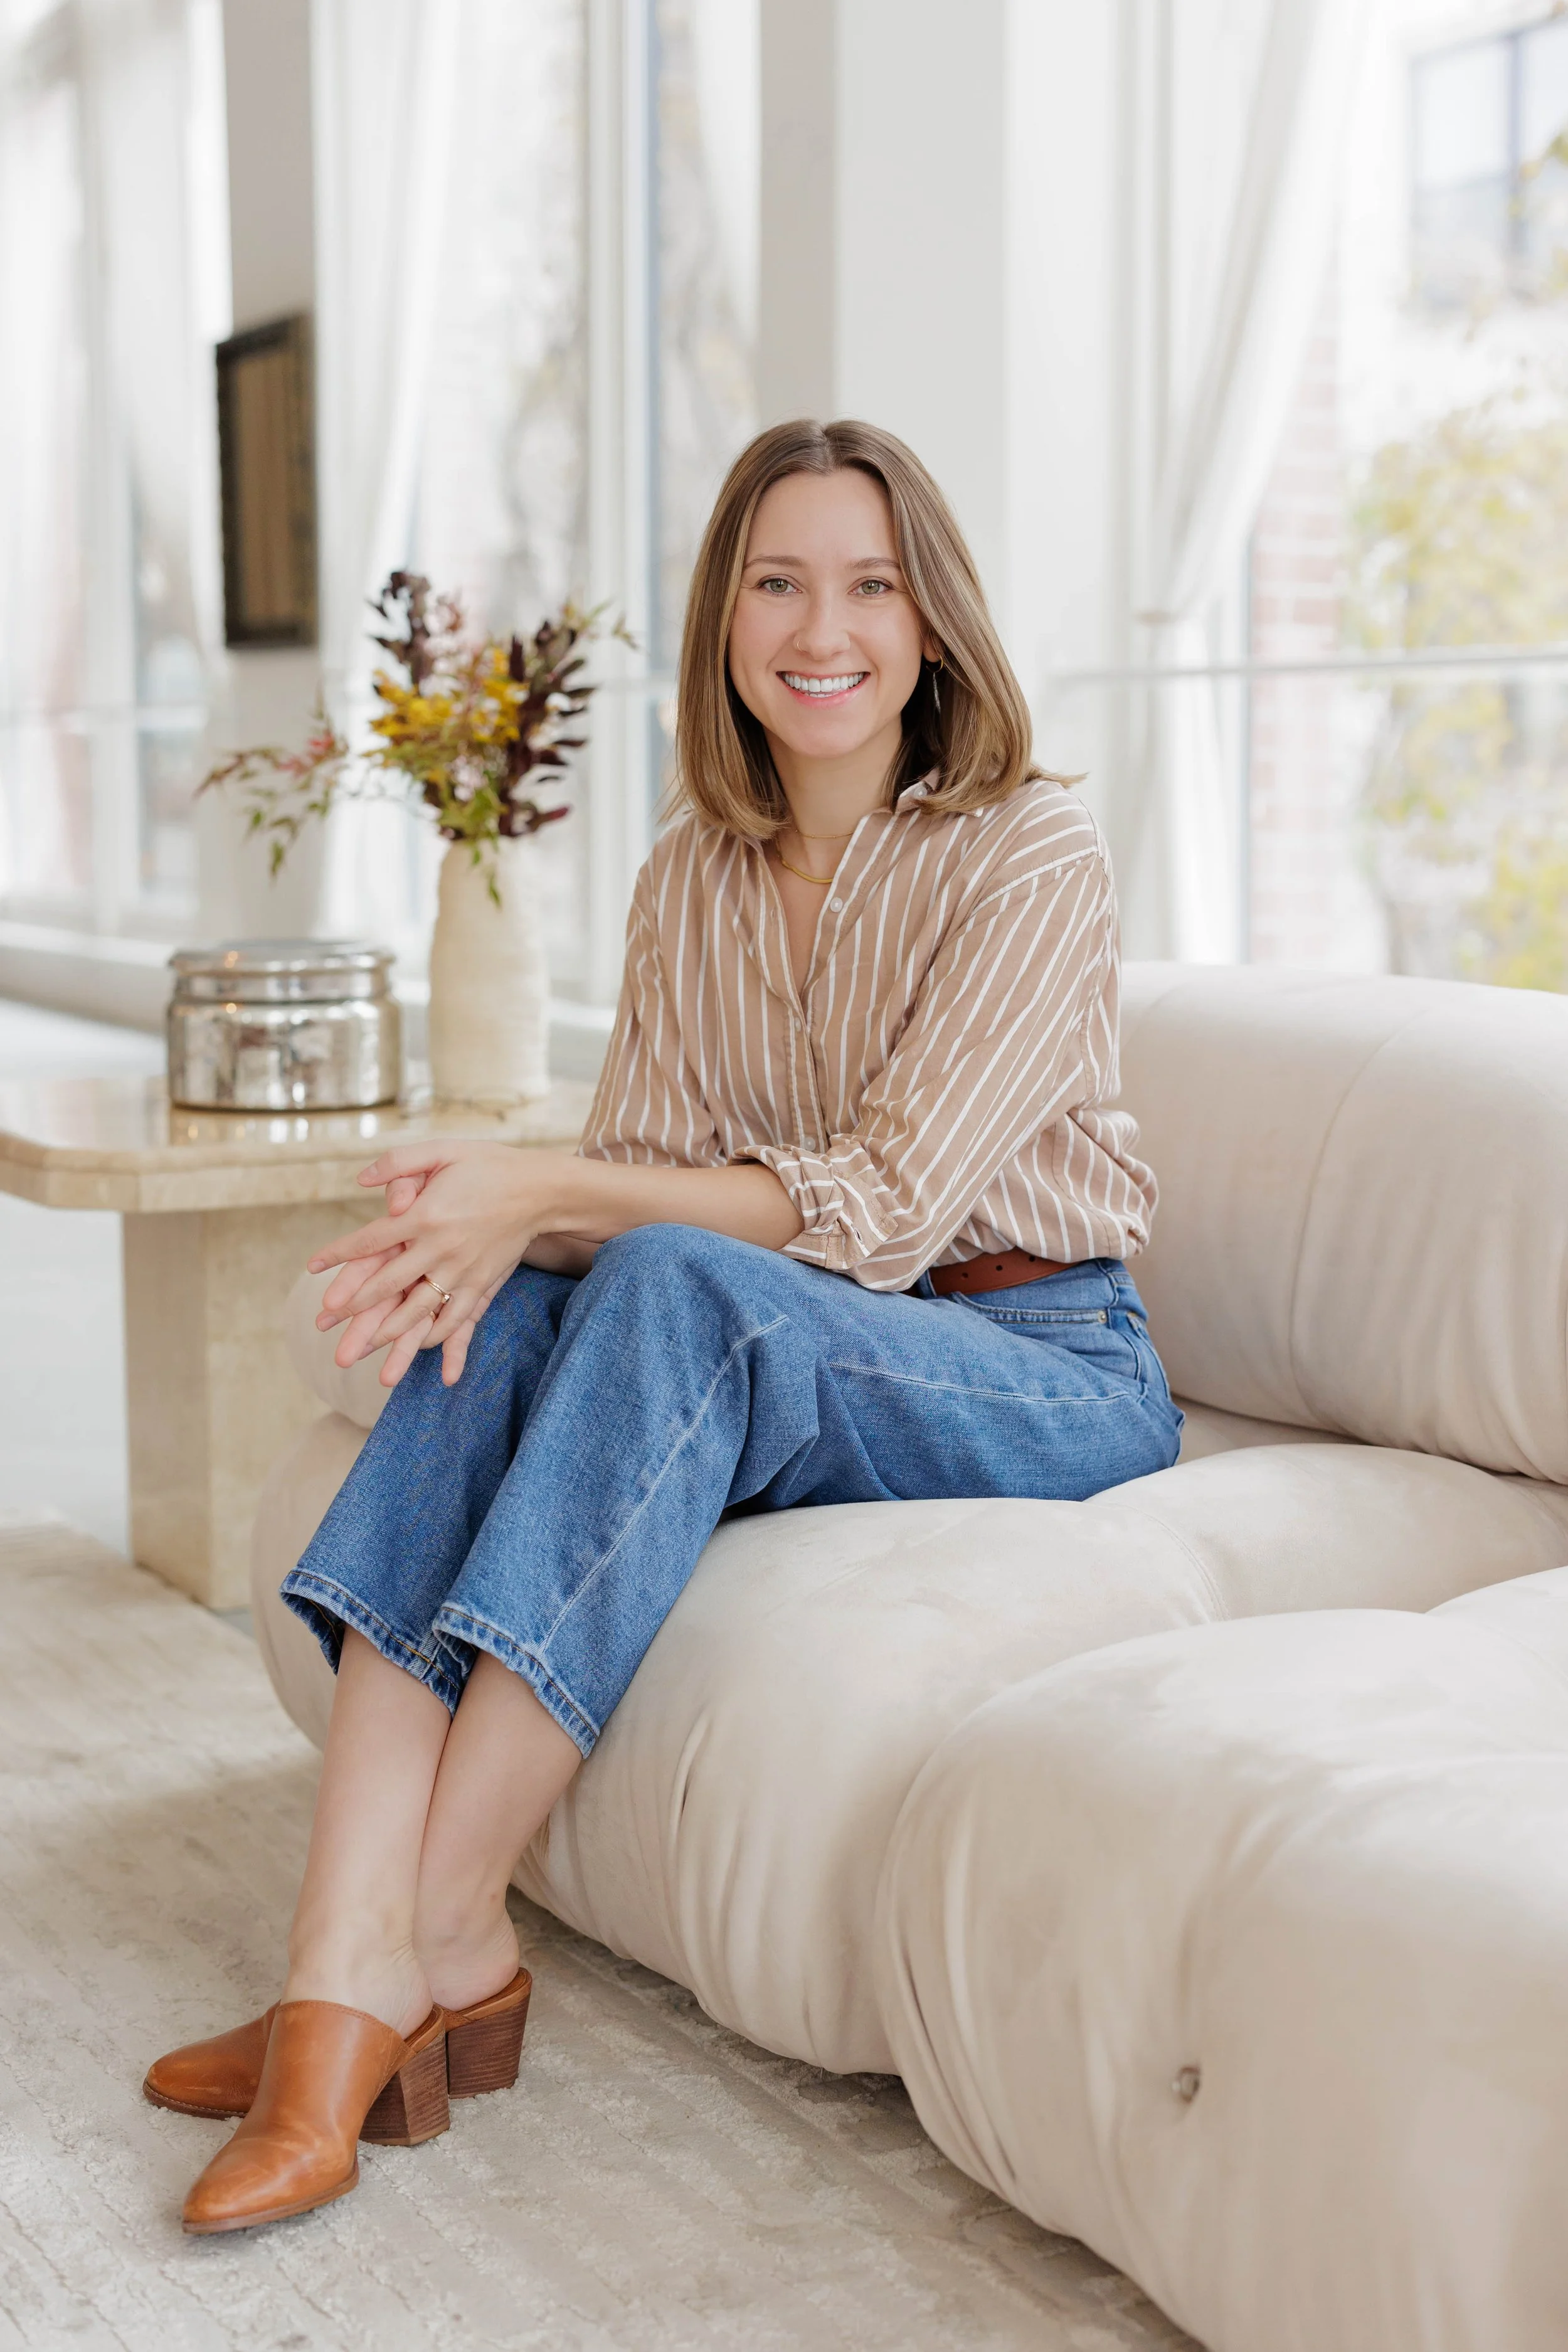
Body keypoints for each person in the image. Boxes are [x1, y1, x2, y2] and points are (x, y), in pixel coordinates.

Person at [145, 417, 1182, 2234]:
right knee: (509, 1317)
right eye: (777, 580)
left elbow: (876, 1210)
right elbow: (641, 1175)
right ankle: (340, 1955)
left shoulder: (1030, 851)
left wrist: (549, 1191)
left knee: (650, 1270)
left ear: (931, 622)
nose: (822, 626)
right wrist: (472, 1236)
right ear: (723, 620)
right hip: (797, 1339)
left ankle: (440, 1928)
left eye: (869, 583)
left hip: (1037, 1363)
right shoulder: (691, 878)